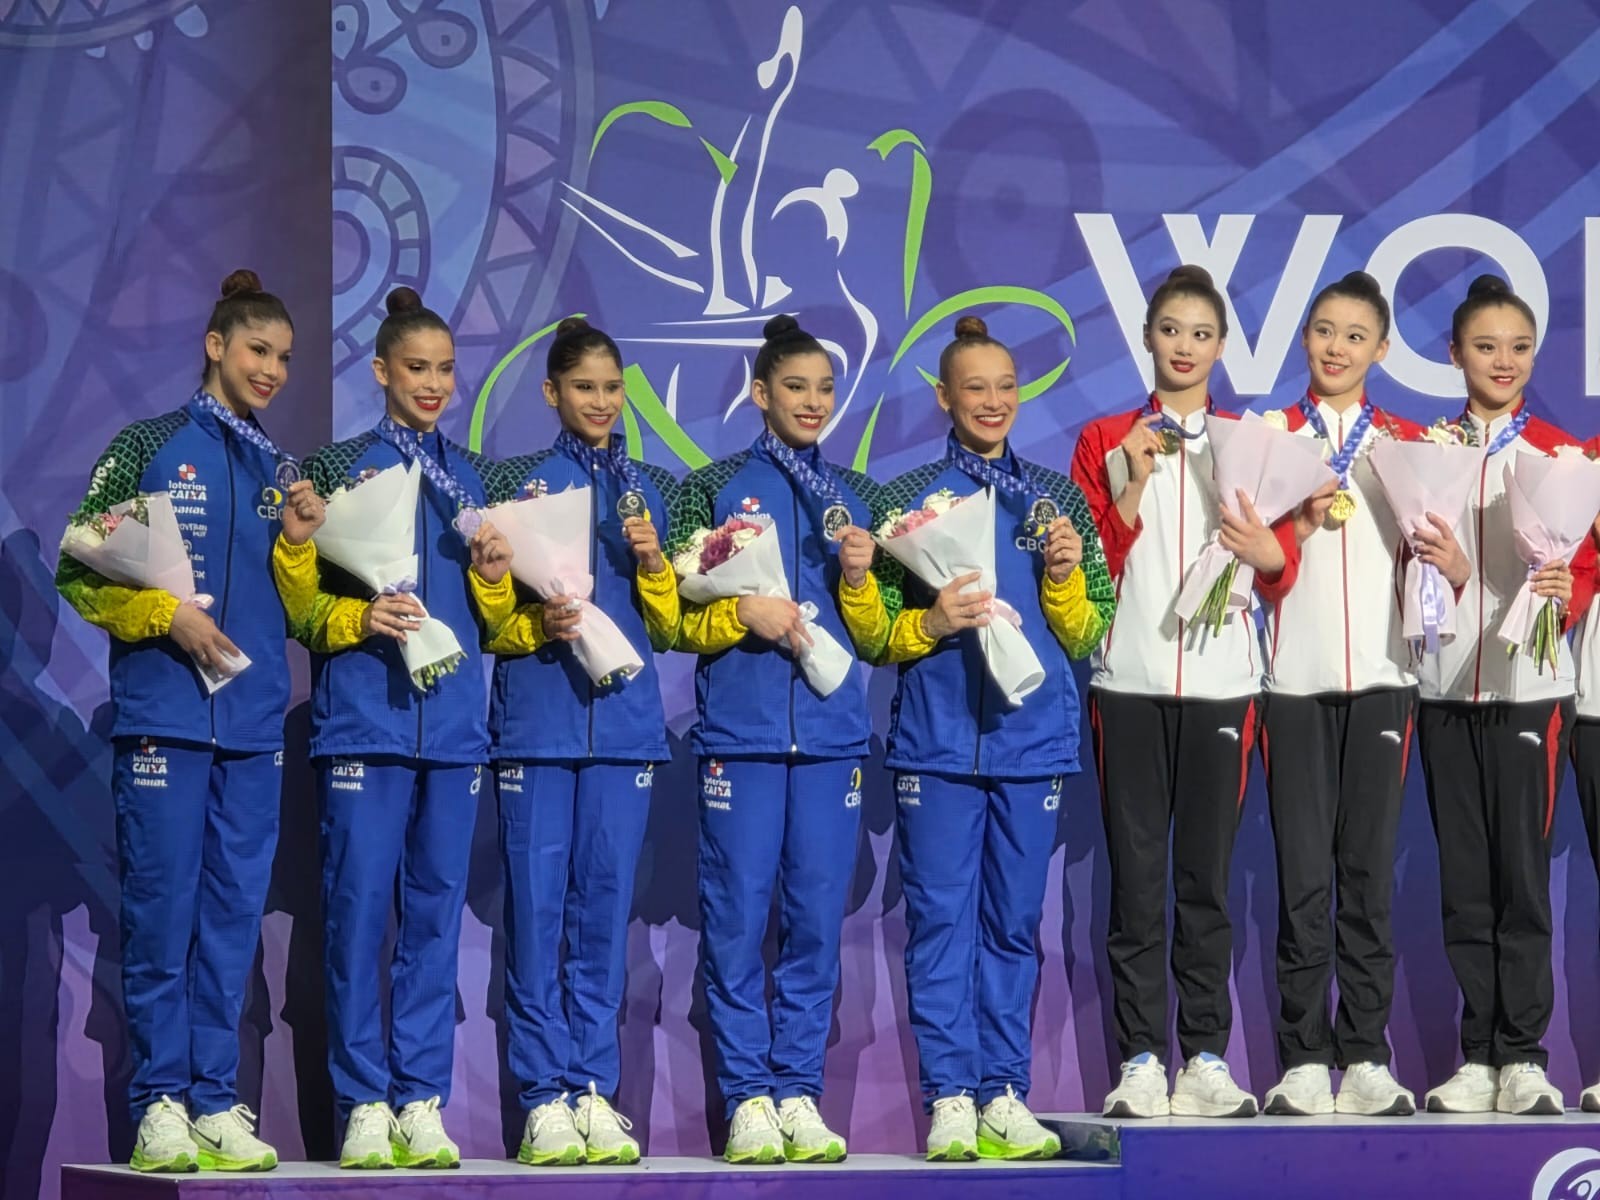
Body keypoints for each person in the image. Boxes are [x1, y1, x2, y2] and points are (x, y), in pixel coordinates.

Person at [855, 314, 1115, 1160]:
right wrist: (930, 620)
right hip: (936, 746)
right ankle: (951, 1098)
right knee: (939, 925)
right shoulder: (904, 503)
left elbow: (1084, 633)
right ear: (944, 396)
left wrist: (1068, 575)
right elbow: (877, 637)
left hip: (1032, 744)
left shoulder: (1055, 501)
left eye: (1006, 387)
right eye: (976, 387)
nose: (994, 401)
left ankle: (1005, 1091)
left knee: (1011, 925)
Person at [55, 269, 296, 1172]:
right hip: (165, 718)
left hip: (253, 723)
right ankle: (158, 1099)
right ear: (215, 345)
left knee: (233, 920)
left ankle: (212, 1100)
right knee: (163, 916)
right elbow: (81, 568)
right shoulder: (150, 444)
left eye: (283, 358)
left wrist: (307, 550)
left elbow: (300, 608)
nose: (271, 370)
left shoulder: (282, 472)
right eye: (257, 351)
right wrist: (167, 617)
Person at [271, 286, 511, 1167]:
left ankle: (421, 1099)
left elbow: (492, 622)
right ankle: (363, 1100)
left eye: (446, 369)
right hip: (362, 727)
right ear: (380, 371)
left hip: (453, 734)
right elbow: (296, 608)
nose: (434, 383)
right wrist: (354, 622)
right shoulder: (333, 472)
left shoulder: (475, 482)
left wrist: (491, 574)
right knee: (355, 917)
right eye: (417, 368)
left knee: (435, 922)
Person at [1070, 265, 1299, 1119]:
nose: (1185, 346)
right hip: (1127, 682)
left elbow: (1281, 567)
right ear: (1147, 337)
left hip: (1223, 687)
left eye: (1201, 333)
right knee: (1137, 883)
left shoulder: (1251, 442)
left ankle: (1204, 1052)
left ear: (1221, 346)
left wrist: (1265, 544)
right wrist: (1129, 478)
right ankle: (1138, 1058)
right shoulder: (1105, 438)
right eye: (1171, 329)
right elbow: (1089, 564)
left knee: (1203, 881)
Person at [666, 315, 876, 1164]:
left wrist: (859, 582)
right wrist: (736, 611)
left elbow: (874, 631)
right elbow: (669, 618)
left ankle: (799, 1093)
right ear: (760, 394)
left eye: (825, 388)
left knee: (816, 927)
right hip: (742, 741)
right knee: (737, 922)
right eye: (796, 387)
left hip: (830, 742)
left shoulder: (856, 497)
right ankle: (749, 1097)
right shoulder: (712, 487)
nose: (813, 402)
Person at [471, 318, 679, 1165]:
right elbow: (488, 623)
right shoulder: (516, 492)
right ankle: (543, 1099)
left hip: (625, 735)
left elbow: (667, 626)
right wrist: (527, 613)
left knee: (602, 920)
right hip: (537, 729)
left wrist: (655, 562)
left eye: (611, 386)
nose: (600, 401)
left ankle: (594, 1089)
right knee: (538, 917)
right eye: (583, 387)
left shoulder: (650, 492)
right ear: (553, 394)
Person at [1256, 271, 1435, 1117]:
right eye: (1324, 330)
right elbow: (1240, 569)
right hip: (1291, 681)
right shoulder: (1270, 437)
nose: (1337, 347)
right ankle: (1301, 1058)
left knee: (1364, 876)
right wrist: (1290, 522)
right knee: (1301, 876)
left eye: (1355, 335)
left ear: (1382, 349)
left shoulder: (1405, 445)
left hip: (1385, 683)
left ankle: (1364, 1051)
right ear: (1305, 339)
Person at [1415, 274, 1595, 1116]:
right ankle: (1476, 1056)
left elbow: (1583, 576)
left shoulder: (1566, 458)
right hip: (1444, 683)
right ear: (1454, 354)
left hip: (1532, 688)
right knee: (1464, 875)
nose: (1503, 361)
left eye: (1519, 348)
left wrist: (1563, 587)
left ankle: (1522, 1054)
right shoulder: (1423, 452)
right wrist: (1446, 575)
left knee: (1519, 874)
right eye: (1486, 346)